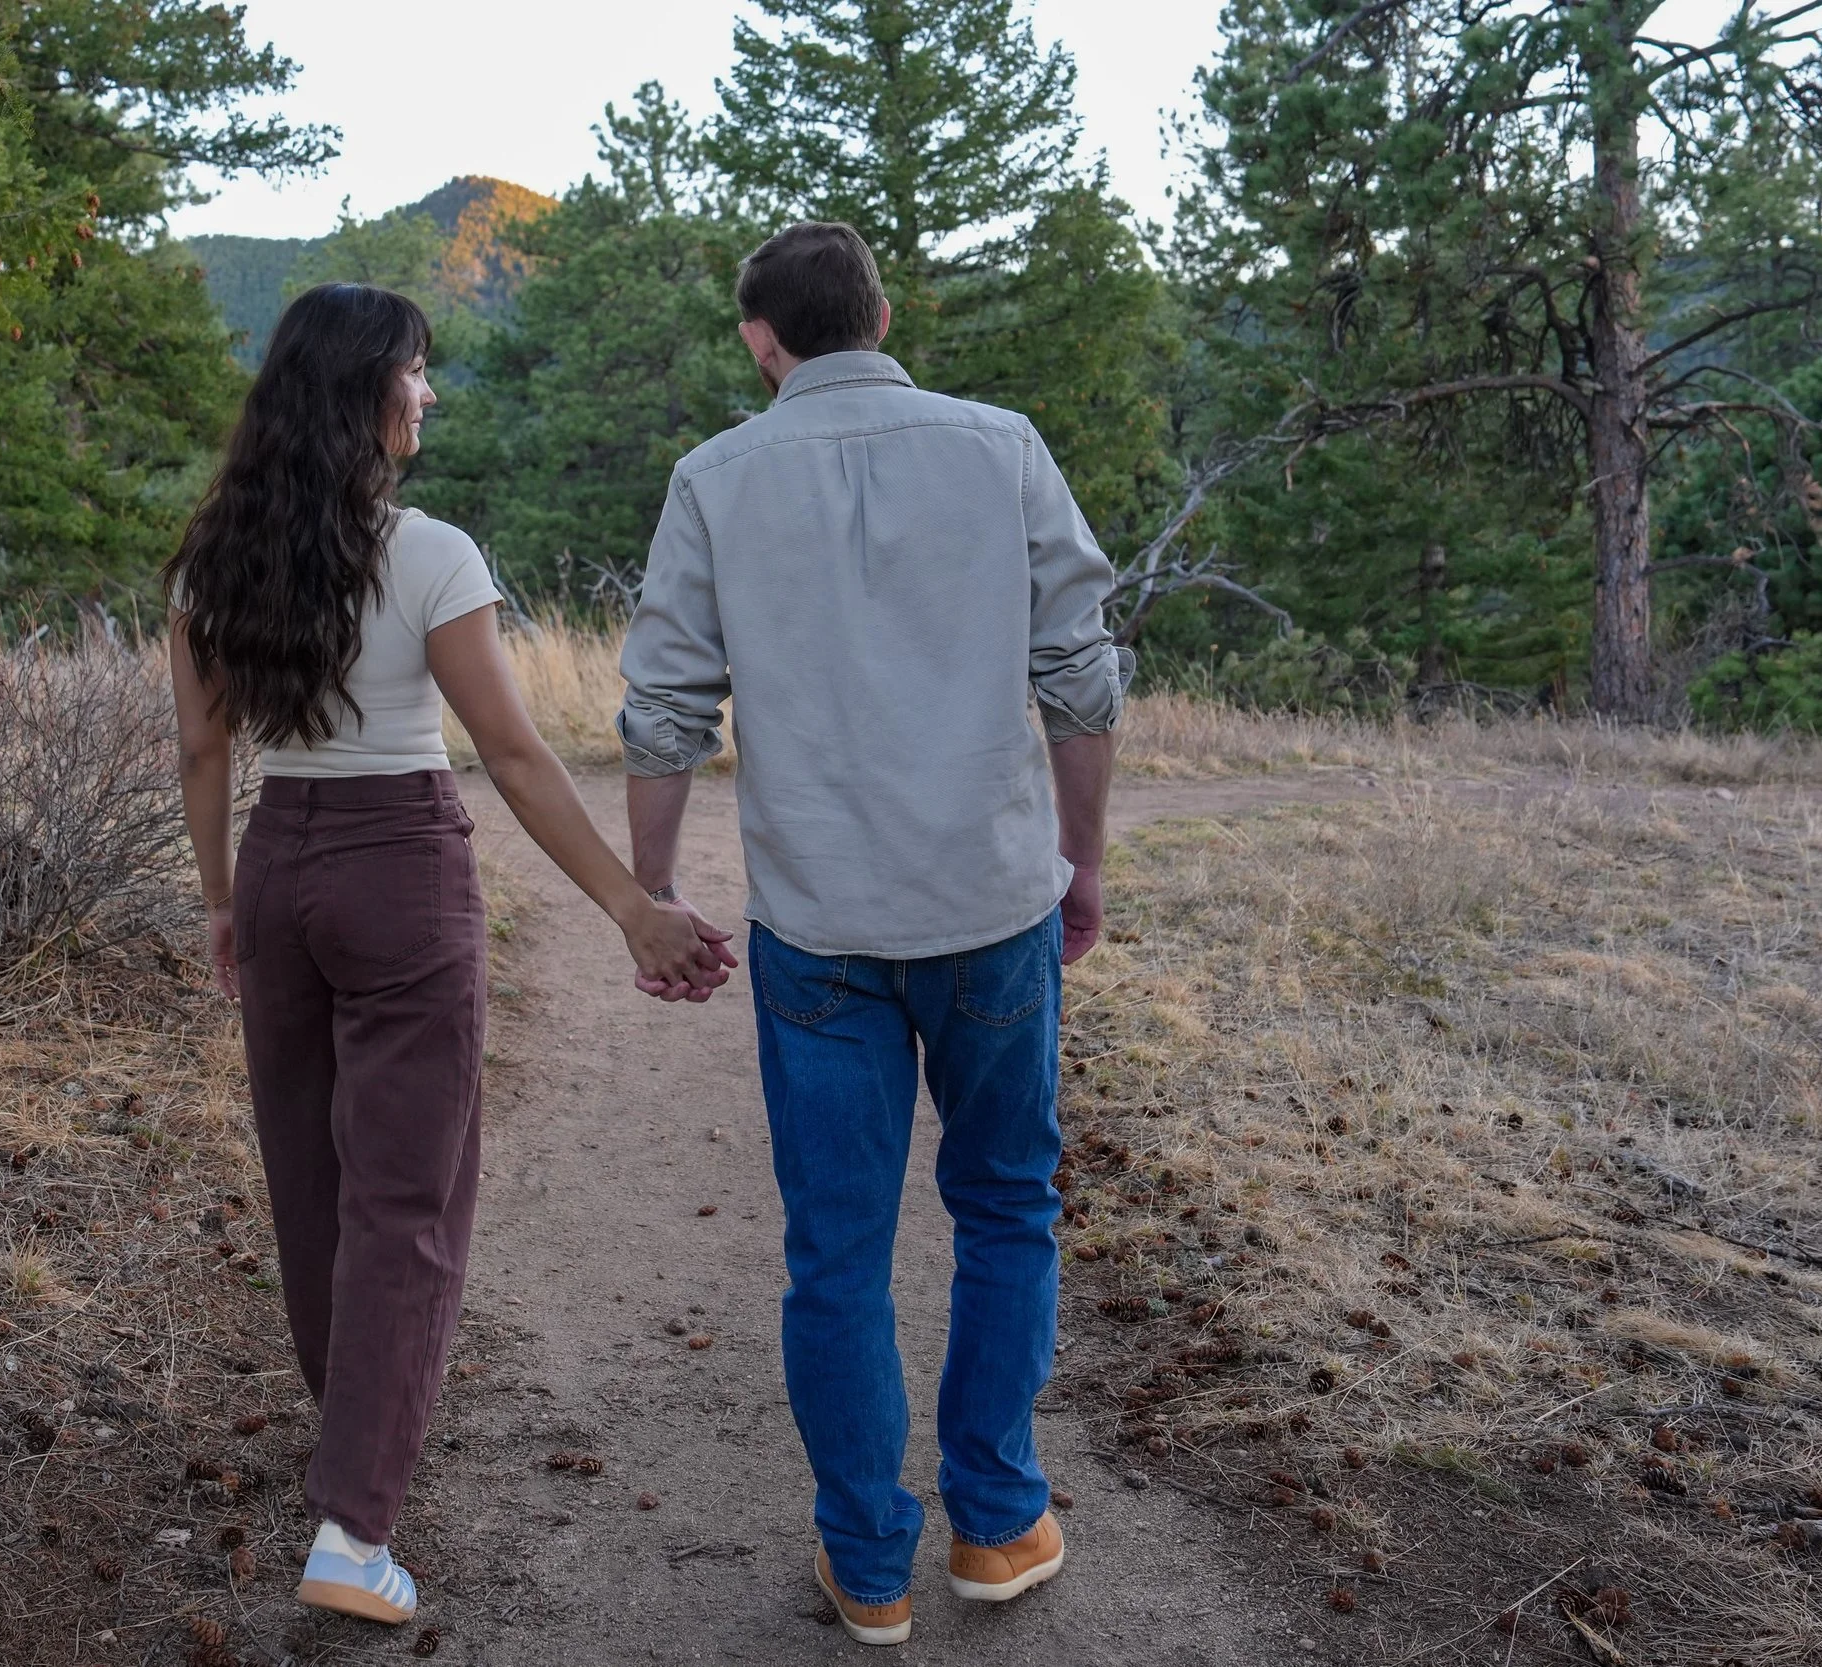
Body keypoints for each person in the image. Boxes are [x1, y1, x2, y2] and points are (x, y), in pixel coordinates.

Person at [166, 283, 733, 1627]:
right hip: (399, 869)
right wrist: (631, 904)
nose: (428, 394)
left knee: (312, 1179)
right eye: (416, 373)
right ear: (367, 390)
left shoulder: (212, 557)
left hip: (278, 853)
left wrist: (221, 900)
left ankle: (355, 1426)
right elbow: (517, 755)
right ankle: (355, 1525)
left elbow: (201, 751)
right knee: (408, 1200)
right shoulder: (429, 553)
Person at [618, 223, 1128, 1646]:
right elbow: (1081, 678)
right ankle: (998, 1515)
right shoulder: (1003, 445)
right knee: (1007, 1202)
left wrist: (653, 893)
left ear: (758, 341)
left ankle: (869, 1564)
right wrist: (1082, 859)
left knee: (835, 1249)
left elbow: (664, 707)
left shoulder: (716, 478)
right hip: (989, 903)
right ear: (885, 314)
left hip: (821, 927)